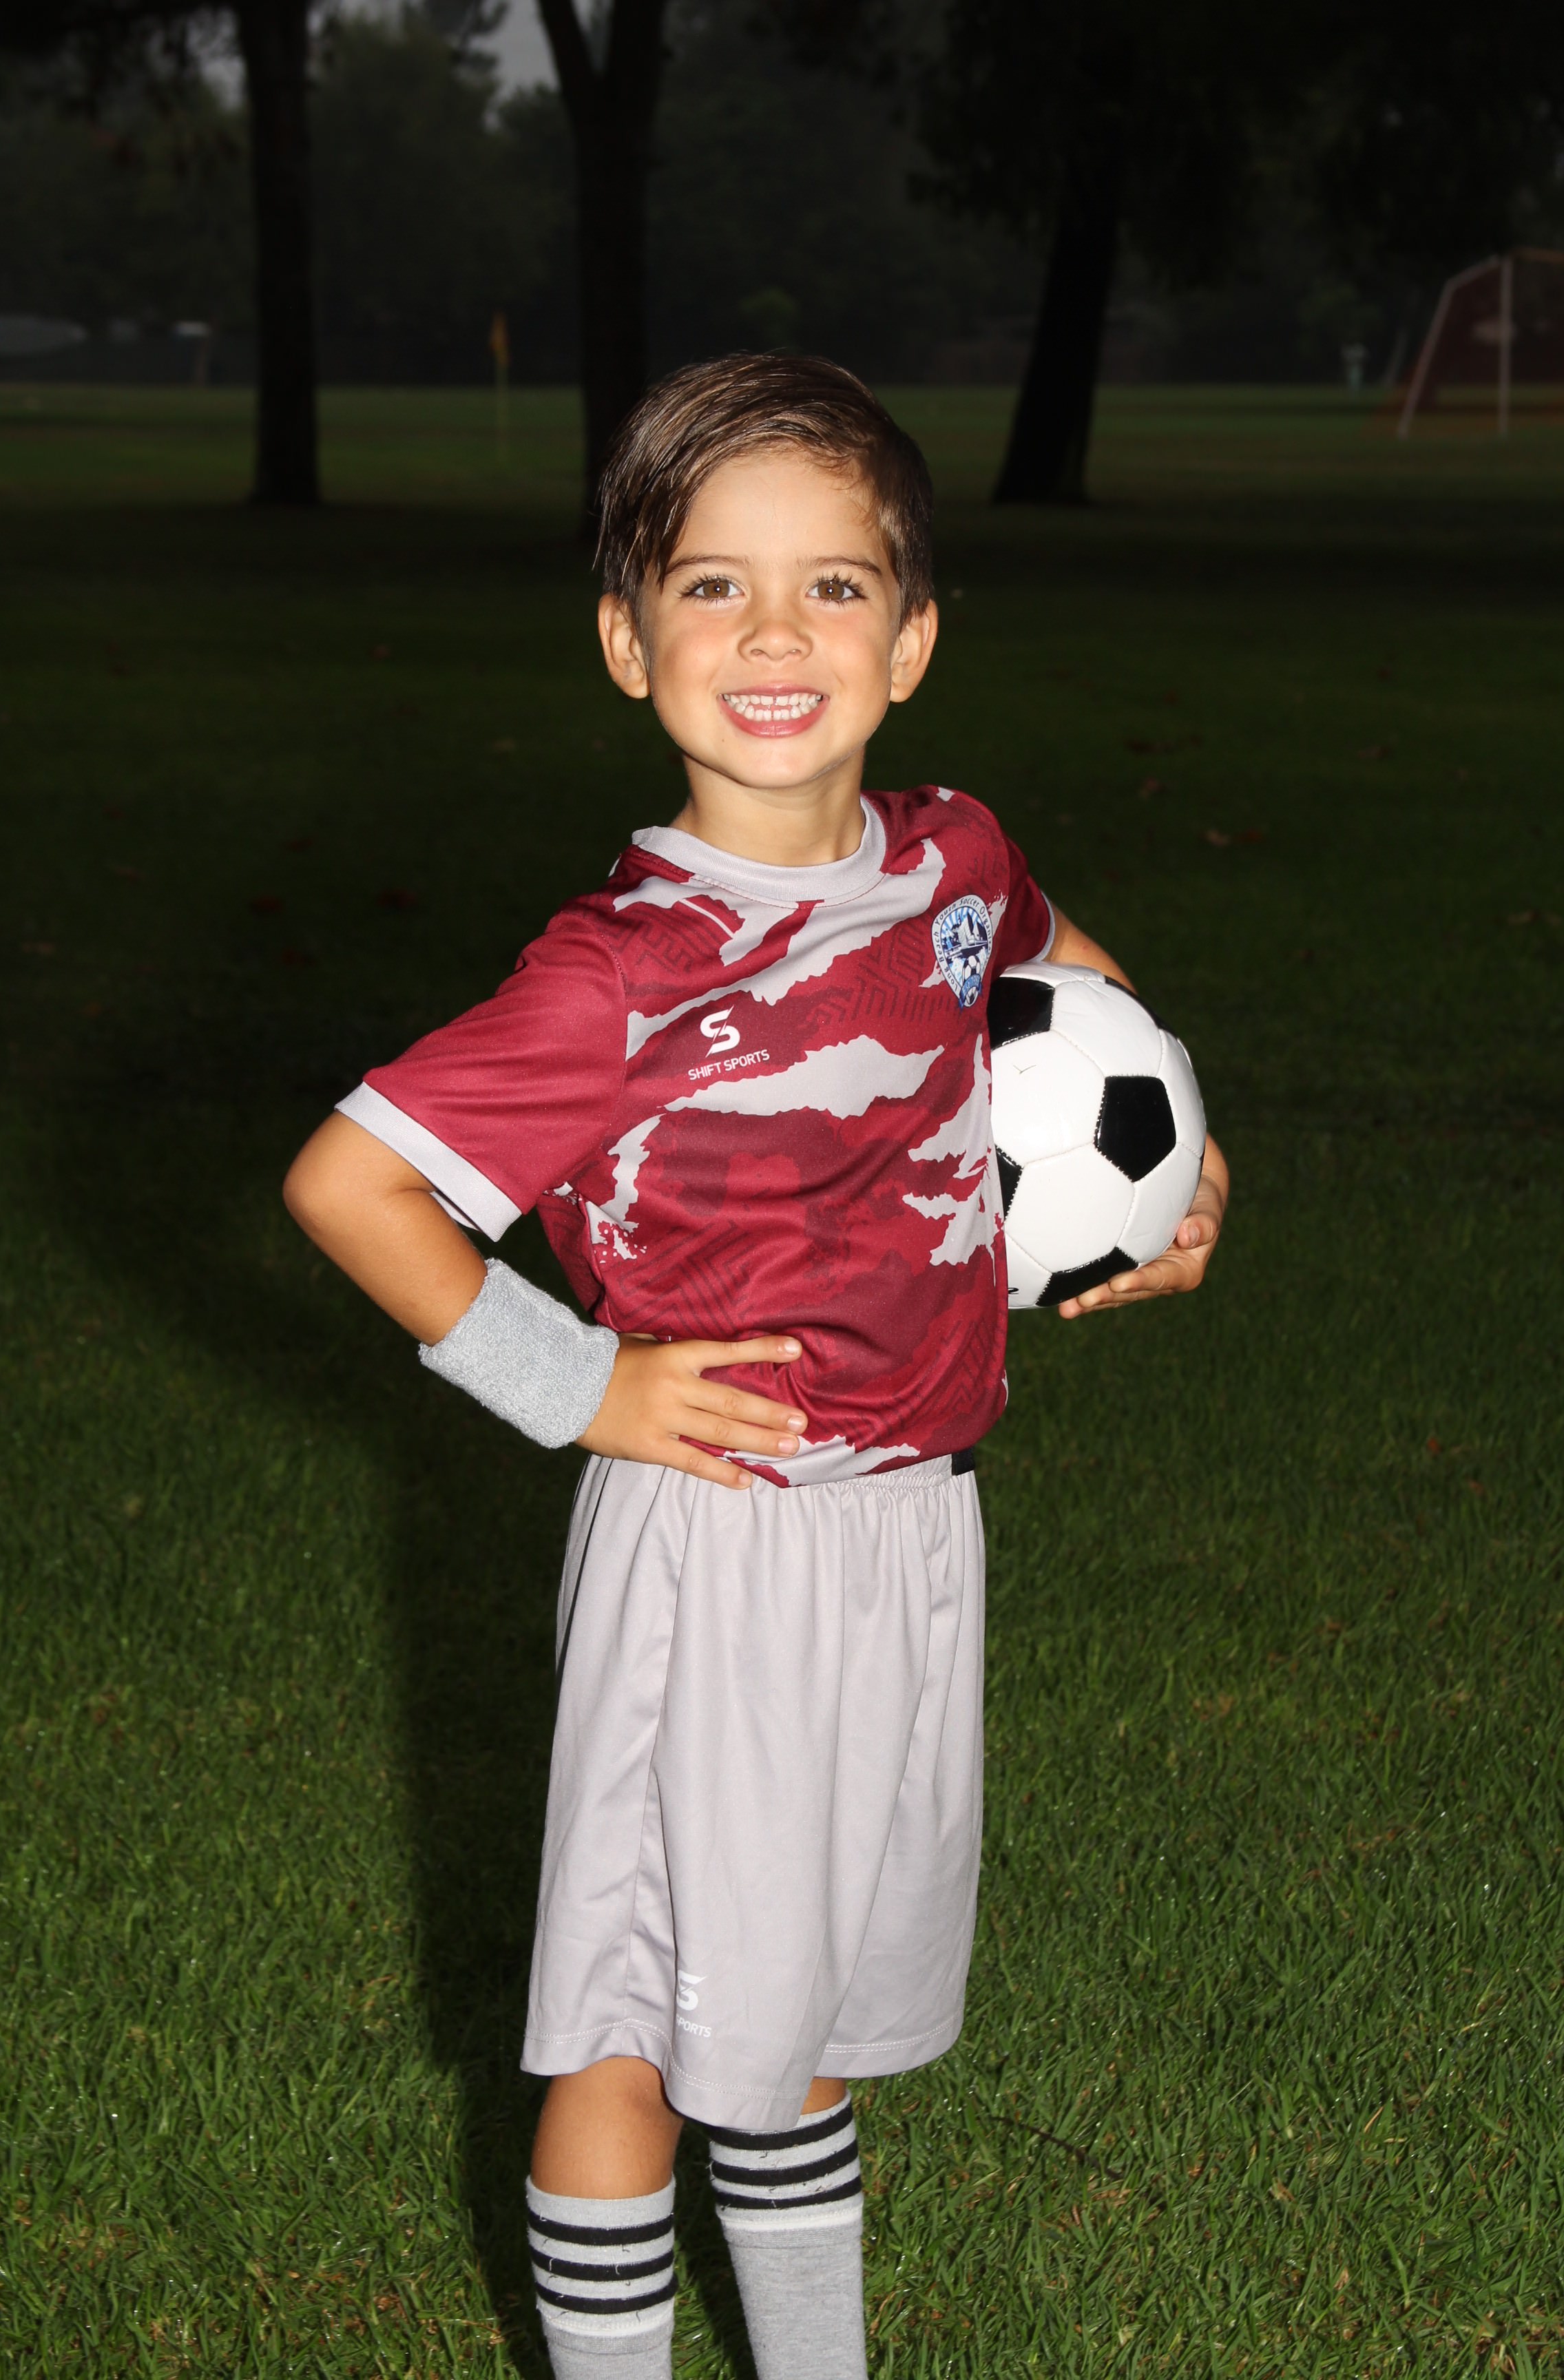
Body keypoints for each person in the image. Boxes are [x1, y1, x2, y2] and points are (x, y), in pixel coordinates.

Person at [284, 353, 1227, 2380]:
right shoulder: (619, 970)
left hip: (914, 1533)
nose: (777, 634)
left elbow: (1070, 977)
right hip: (714, 1538)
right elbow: (352, 1186)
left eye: (833, 587)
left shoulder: (955, 857)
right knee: (636, 2036)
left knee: (797, 2030)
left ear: (915, 639)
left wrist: (1177, 1167)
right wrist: (580, 1389)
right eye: (713, 587)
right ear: (629, 644)